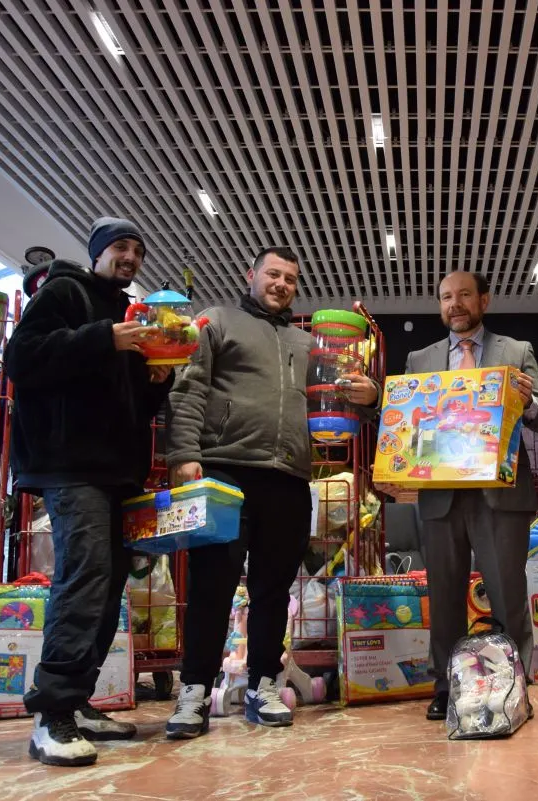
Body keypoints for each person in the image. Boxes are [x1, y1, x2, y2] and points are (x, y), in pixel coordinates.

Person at [164, 246, 373, 737]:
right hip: (224, 472)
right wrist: (183, 455)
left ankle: (263, 683)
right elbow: (188, 387)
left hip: (290, 478)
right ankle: (193, 691)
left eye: (290, 279)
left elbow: (336, 397)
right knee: (212, 586)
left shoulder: (308, 343)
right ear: (250, 274)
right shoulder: (217, 320)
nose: (281, 284)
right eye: (273, 274)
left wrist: (367, 398)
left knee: (274, 590)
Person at [5, 217, 173, 767]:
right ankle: (50, 711)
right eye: (120, 247)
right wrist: (104, 338)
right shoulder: (64, 291)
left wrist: (156, 380)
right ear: (99, 251)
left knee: (108, 584)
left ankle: (76, 702)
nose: (129, 257)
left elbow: (131, 403)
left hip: (117, 470)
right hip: (68, 465)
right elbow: (22, 358)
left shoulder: (128, 313)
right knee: (86, 574)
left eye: (137, 250)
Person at [366, 271, 538, 720]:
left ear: (483, 300)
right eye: (446, 297)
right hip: (440, 496)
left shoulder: (516, 352)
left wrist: (528, 403)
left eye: (464, 295)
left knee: (509, 594)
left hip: (501, 497)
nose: (455, 304)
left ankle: (514, 687)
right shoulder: (420, 359)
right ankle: (445, 687)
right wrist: (380, 404)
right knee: (445, 596)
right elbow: (405, 421)